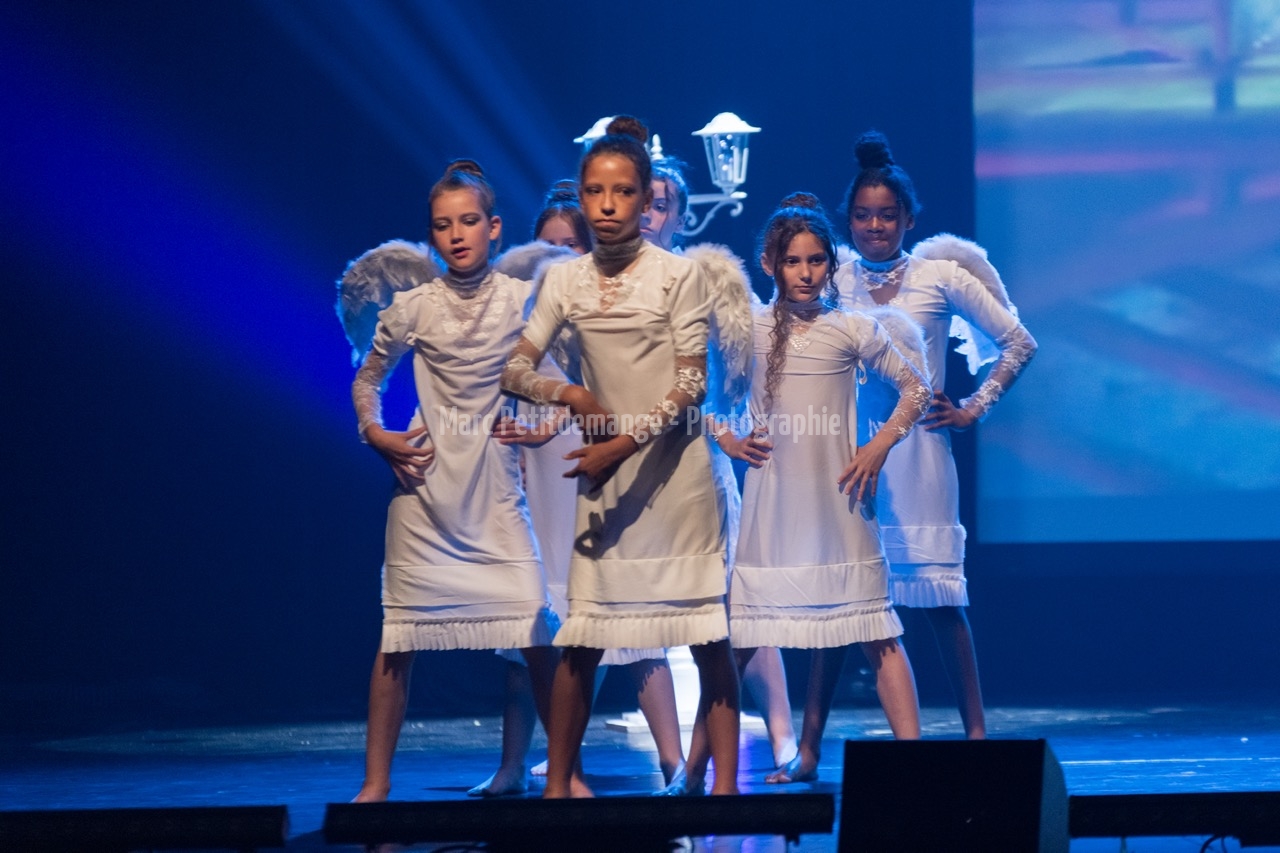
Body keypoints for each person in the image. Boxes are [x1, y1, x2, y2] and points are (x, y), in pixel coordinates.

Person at [501, 116, 741, 798]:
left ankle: (722, 794)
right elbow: (515, 369)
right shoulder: (564, 281)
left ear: (644, 198)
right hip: (605, 484)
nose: (607, 205)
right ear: (580, 196)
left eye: (624, 192)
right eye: (595, 191)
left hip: (676, 483)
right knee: (583, 638)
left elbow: (691, 384)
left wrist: (622, 441)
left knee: (706, 636)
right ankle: (558, 788)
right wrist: (573, 393)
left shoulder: (680, 275)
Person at [348, 159, 561, 802]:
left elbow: (571, 372)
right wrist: (376, 433)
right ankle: (375, 784)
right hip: (425, 495)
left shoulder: (523, 300)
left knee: (536, 629)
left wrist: (548, 425)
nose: (457, 234)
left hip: (495, 493)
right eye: (444, 225)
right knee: (398, 640)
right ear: (433, 235)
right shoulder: (413, 308)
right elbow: (367, 378)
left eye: (469, 221)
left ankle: (567, 776)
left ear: (493, 228)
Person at [477, 183, 687, 795]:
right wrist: (513, 450)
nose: (558, 255)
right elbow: (504, 388)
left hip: (599, 458)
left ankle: (674, 763)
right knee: (533, 628)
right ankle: (514, 766)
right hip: (539, 476)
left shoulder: (603, 305)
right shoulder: (526, 317)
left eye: (569, 244)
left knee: (633, 628)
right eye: (548, 244)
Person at [712, 196, 928, 784]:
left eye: (816, 261)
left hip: (840, 504)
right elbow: (698, 392)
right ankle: (696, 772)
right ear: (769, 264)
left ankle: (918, 772)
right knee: (739, 644)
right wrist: (728, 440)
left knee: (874, 632)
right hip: (773, 507)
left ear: (831, 263)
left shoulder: (852, 328)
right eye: (793, 261)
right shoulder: (748, 329)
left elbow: (916, 389)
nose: (805, 273)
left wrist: (877, 446)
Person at [835, 130, 1039, 740]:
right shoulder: (834, 279)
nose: (875, 226)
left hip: (919, 454)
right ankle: (810, 746)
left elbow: (1018, 341)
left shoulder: (939, 276)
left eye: (887, 215)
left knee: (940, 604)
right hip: (850, 453)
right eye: (863, 215)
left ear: (909, 219)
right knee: (843, 604)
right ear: (849, 219)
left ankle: (976, 734)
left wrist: (974, 407)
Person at [643, 160, 799, 781]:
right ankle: (678, 762)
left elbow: (742, 358)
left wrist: (731, 431)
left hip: (699, 459)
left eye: (661, 203)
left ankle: (782, 734)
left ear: (681, 216)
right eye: (641, 200)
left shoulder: (708, 279)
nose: (648, 212)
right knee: (647, 616)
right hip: (636, 464)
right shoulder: (607, 283)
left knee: (736, 610)